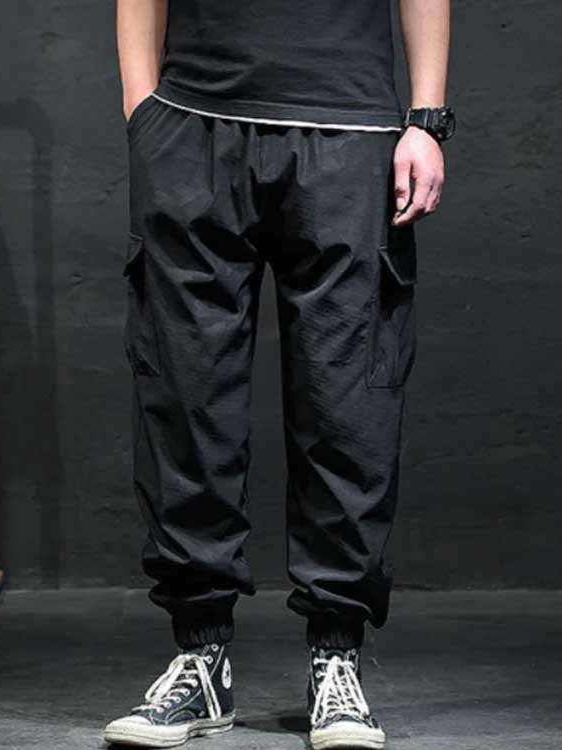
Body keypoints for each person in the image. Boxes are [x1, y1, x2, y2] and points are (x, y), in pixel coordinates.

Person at [105, 1, 454, 748]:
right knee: (187, 395)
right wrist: (143, 110)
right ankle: (201, 657)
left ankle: (336, 658)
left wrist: (426, 119)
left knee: (347, 406)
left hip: (350, 130)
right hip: (193, 123)